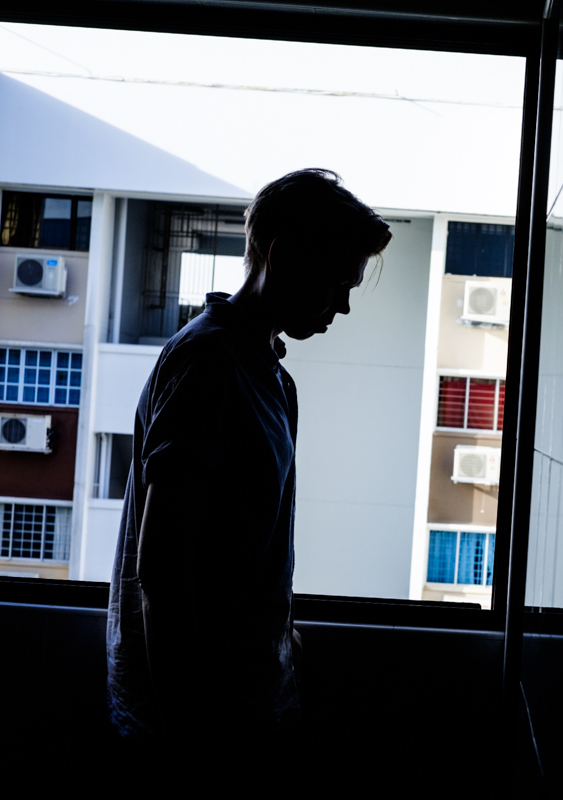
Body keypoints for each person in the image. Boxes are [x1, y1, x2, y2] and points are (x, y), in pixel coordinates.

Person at [106, 168, 392, 772]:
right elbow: (162, 569)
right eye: (337, 282)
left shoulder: (272, 378)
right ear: (282, 255)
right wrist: (189, 741)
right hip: (204, 725)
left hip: (247, 706)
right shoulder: (208, 365)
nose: (342, 306)